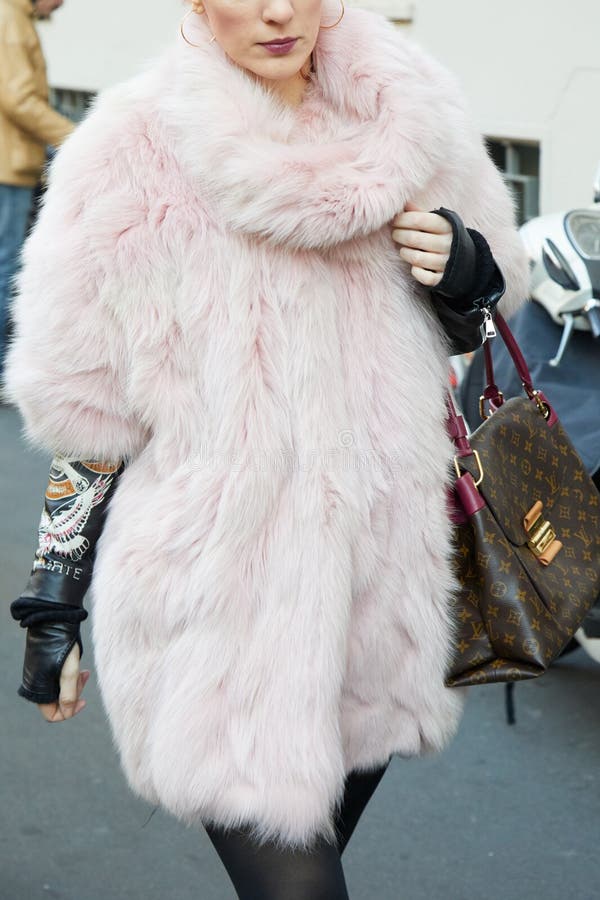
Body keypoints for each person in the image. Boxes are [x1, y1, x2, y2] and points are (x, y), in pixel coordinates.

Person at [3, 0, 529, 896]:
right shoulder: (127, 153)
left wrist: (467, 270)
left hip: (380, 600)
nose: (282, 11)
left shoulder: (411, 115)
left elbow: (481, 316)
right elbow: (88, 411)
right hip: (212, 609)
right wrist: (53, 605)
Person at [0, 0, 74, 374]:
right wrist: (76, 137)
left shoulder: (14, 16)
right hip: (6, 169)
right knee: (5, 268)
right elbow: (18, 98)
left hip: (11, 165)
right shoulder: (9, 18)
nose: (62, 4)